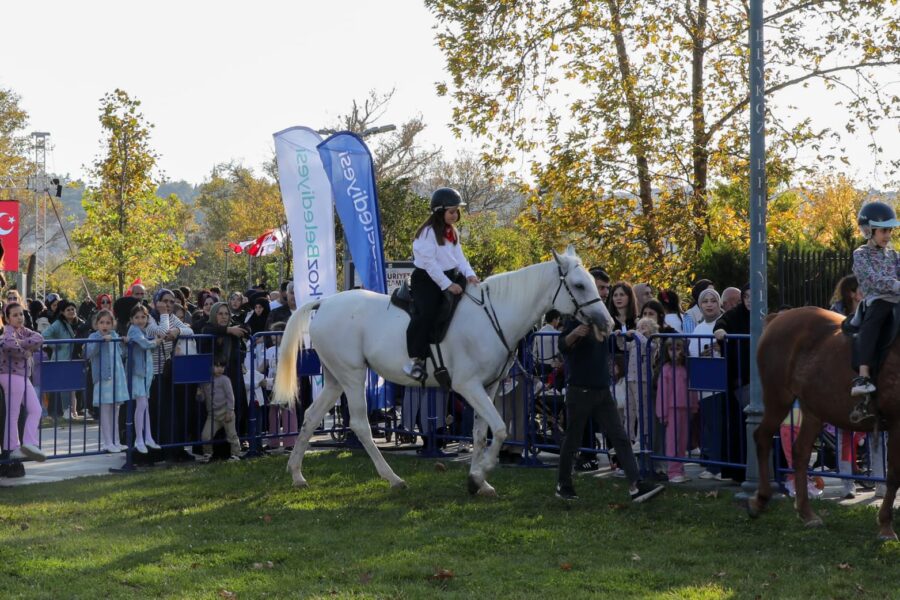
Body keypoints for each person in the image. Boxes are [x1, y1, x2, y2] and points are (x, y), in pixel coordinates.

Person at [554, 270, 664, 503]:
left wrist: (622, 337)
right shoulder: (575, 315)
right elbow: (562, 345)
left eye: (606, 288)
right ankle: (563, 485)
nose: (605, 292)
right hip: (579, 389)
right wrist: (575, 333)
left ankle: (636, 485)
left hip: (602, 389)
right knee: (572, 440)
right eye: (601, 287)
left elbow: (607, 344)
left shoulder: (602, 316)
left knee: (620, 437)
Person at [403, 187, 479, 380]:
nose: (455, 215)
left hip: (449, 275)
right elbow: (430, 264)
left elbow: (459, 258)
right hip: (427, 279)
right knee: (426, 313)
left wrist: (470, 274)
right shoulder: (427, 233)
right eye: (451, 211)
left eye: (457, 211)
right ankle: (415, 360)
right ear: (439, 211)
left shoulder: (452, 232)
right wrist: (447, 285)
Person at [850, 202, 900, 412]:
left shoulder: (894, 255)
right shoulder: (860, 255)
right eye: (883, 231)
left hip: (897, 299)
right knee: (874, 322)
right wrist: (896, 285)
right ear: (869, 230)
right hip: (877, 300)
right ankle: (863, 377)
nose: (887, 235)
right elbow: (871, 279)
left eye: (890, 230)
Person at [0, 302, 47, 462]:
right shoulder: (8, 331)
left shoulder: (23, 331)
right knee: (13, 414)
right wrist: (25, 351)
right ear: (7, 318)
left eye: (21, 314)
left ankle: (29, 444)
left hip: (23, 376)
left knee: (36, 410)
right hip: (10, 376)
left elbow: (39, 337)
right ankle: (11, 448)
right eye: (15, 315)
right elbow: (8, 345)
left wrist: (23, 345)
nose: (19, 317)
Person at [85, 309, 130, 453]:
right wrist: (100, 341)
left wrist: (124, 342)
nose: (105, 325)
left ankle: (116, 441)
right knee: (105, 410)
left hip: (117, 378)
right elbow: (88, 353)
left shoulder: (115, 335)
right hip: (104, 379)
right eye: (102, 322)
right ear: (96, 324)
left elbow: (121, 353)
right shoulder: (94, 336)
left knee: (115, 410)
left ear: (113, 324)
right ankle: (107, 442)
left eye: (108, 323)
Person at [655, 338, 697, 483]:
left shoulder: (686, 368)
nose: (674, 352)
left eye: (678, 348)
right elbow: (662, 393)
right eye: (671, 349)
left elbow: (691, 390)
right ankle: (673, 472)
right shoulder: (666, 369)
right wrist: (663, 413)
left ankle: (680, 469)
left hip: (685, 409)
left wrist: (693, 406)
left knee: (682, 440)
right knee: (672, 441)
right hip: (671, 410)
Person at [126, 304, 162, 454]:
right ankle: (139, 439)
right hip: (137, 373)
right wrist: (156, 342)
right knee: (141, 404)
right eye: (137, 317)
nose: (140, 320)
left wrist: (153, 341)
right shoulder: (134, 331)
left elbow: (148, 344)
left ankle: (148, 437)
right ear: (131, 319)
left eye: (143, 317)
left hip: (146, 372)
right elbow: (145, 344)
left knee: (145, 405)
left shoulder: (143, 330)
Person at [42, 299, 85, 419]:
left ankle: (74, 410)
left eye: (73, 309)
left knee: (74, 386)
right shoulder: (58, 324)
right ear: (62, 312)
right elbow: (45, 335)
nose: (71, 311)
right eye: (68, 310)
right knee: (65, 386)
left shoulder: (80, 322)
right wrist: (57, 344)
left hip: (76, 357)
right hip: (63, 358)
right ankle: (66, 410)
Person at [198, 359, 242, 460]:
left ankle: (236, 454)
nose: (220, 369)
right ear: (211, 367)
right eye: (217, 366)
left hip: (226, 412)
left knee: (232, 434)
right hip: (212, 415)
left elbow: (230, 396)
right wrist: (199, 395)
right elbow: (203, 398)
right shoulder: (205, 381)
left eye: (222, 367)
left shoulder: (225, 379)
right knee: (205, 435)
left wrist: (230, 411)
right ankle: (207, 453)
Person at [532, 309, 562, 379]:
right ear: (554, 320)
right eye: (558, 319)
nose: (558, 322)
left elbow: (534, 351)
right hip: (552, 365)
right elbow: (556, 352)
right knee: (553, 388)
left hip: (540, 364)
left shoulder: (539, 332)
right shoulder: (556, 333)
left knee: (543, 387)